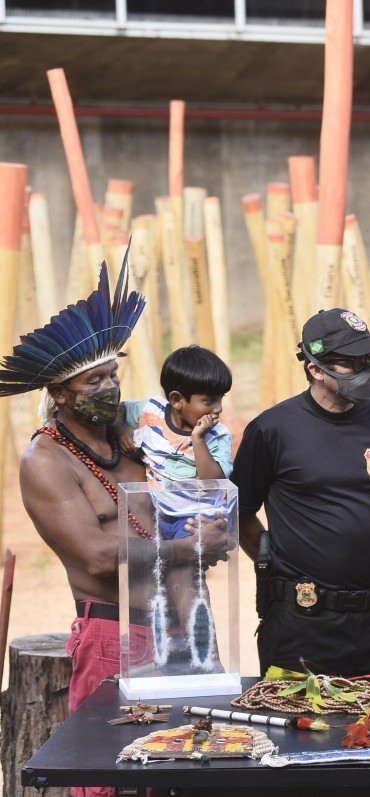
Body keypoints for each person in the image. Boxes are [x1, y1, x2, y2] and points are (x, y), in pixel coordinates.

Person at [5, 262, 228, 797]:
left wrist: (212, 529)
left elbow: (197, 493)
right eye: (93, 380)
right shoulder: (47, 461)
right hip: (116, 637)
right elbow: (99, 558)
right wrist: (188, 545)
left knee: (201, 774)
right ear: (60, 393)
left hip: (189, 628)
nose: (108, 387)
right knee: (115, 780)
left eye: (113, 376)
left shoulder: (137, 439)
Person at [233, 308, 370, 677]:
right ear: (315, 368)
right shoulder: (272, 430)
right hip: (302, 624)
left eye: (369, 357)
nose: (366, 369)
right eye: (352, 362)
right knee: (300, 731)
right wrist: (277, 567)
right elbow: (239, 513)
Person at [117, 345, 235, 669]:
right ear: (176, 399)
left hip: (193, 517)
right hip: (158, 514)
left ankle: (208, 659)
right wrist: (126, 432)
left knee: (188, 578)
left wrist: (198, 439)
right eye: (209, 400)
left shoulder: (217, 436)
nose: (218, 408)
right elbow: (115, 415)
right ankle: (163, 654)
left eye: (221, 399)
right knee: (159, 577)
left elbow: (213, 481)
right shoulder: (149, 411)